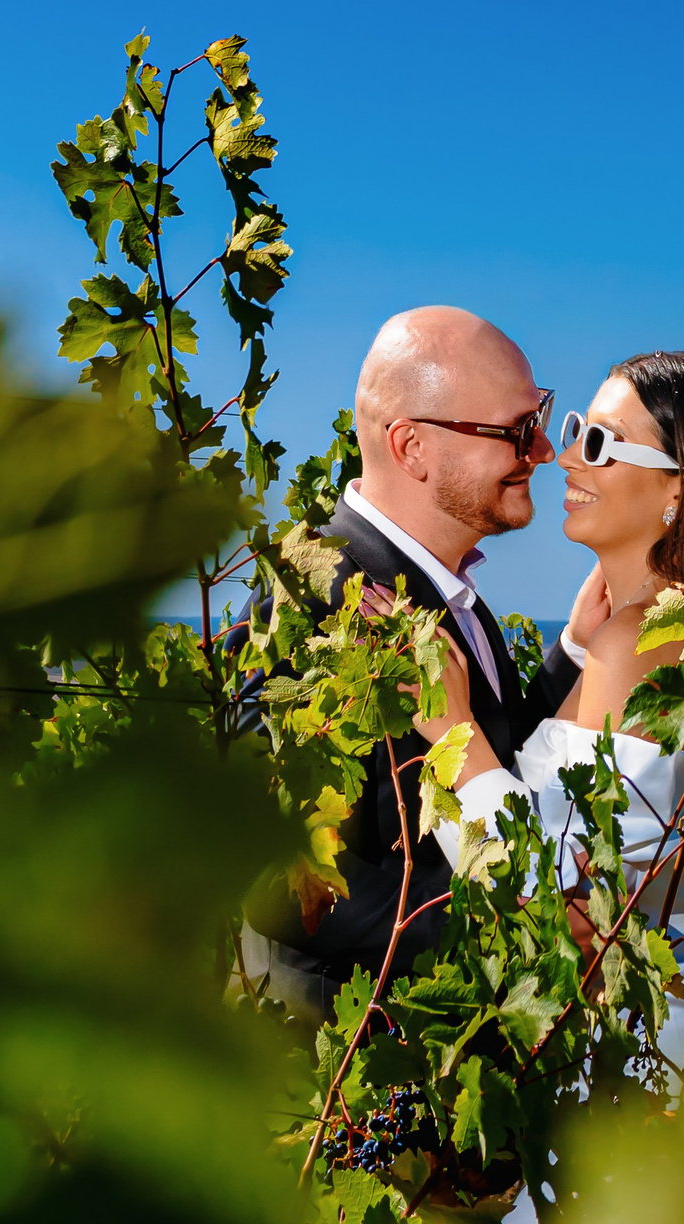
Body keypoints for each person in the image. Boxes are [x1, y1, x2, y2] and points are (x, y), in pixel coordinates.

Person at [420, 350, 684, 1083]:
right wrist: (576, 650)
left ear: (680, 487)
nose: (566, 461)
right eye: (579, 428)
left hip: (626, 1064)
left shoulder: (639, 643)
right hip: (681, 1044)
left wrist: (455, 734)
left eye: (599, 444)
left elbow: (559, 895)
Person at [241, 307, 588, 1022]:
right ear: (413, 447)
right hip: (349, 1069)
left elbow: (488, 759)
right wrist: (505, 923)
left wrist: (569, 657)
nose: (543, 451)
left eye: (540, 416)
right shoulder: (319, 595)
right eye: (517, 430)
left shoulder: (449, 594)